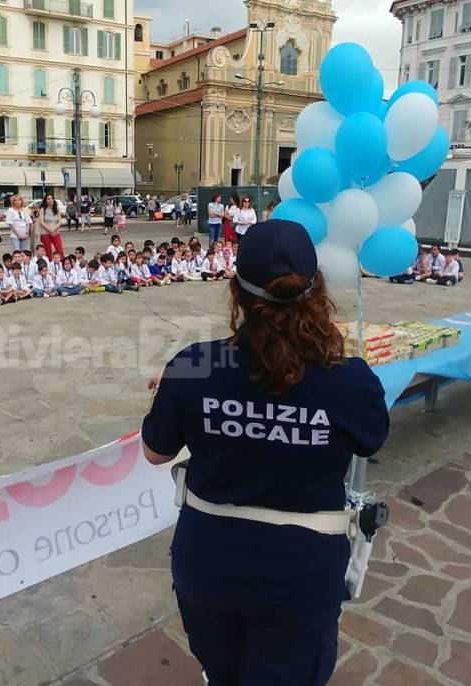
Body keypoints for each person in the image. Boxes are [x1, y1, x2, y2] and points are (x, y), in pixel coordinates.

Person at [141, 220, 390, 686]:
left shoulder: (194, 365)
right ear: (314, 290)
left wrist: (171, 394)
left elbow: (155, 452)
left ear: (236, 291)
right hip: (300, 567)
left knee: (223, 673)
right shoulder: (349, 378)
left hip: (209, 559)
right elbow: (371, 438)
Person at [38, 194, 64, 259]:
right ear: (46, 201)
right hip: (45, 233)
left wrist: (54, 229)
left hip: (55, 232)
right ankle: (49, 266)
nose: (50, 200)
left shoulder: (57, 209)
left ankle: (62, 264)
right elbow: (41, 222)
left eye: (51, 198)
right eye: (48, 199)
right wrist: (49, 230)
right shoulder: (42, 209)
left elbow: (60, 222)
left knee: (59, 250)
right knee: (48, 251)